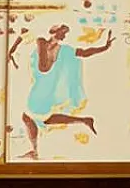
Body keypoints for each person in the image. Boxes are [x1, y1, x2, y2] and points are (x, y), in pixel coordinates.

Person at [10, 22, 113, 159]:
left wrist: (104, 47)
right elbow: (23, 35)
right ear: (53, 31)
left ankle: (35, 151)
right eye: (62, 33)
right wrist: (10, 51)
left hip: (43, 89)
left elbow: (83, 53)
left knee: (30, 117)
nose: (63, 36)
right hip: (43, 86)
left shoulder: (58, 48)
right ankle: (84, 120)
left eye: (64, 34)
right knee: (42, 119)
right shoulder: (47, 44)